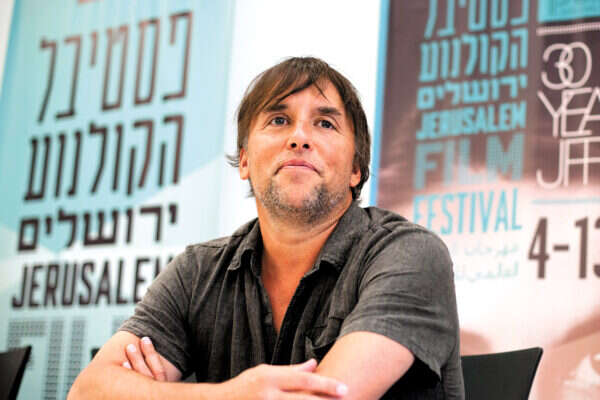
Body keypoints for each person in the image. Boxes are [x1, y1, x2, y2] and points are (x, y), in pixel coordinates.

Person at [68, 57, 464, 399]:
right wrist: (228, 395)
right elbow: (87, 392)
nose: (299, 138)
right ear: (244, 161)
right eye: (279, 120)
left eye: (325, 123)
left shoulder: (409, 254)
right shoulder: (197, 272)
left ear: (356, 169)